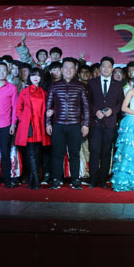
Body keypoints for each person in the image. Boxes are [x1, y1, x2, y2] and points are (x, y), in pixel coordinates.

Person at [46, 58, 90, 190]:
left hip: (75, 125)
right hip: (58, 125)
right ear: (61, 69)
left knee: (74, 154)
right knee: (57, 153)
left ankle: (75, 180)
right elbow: (48, 107)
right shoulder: (54, 86)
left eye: (71, 68)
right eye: (66, 67)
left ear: (75, 70)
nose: (68, 70)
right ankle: (56, 179)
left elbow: (86, 108)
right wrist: (48, 123)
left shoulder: (81, 86)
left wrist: (86, 124)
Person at [87, 56, 124, 188]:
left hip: (110, 123)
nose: (106, 69)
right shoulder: (92, 83)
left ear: (112, 69)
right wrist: (95, 110)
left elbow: (121, 103)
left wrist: (112, 111)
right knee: (94, 151)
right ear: (100, 68)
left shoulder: (118, 85)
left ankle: (103, 180)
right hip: (95, 123)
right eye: (103, 66)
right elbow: (87, 101)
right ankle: (93, 179)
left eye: (109, 67)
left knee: (106, 152)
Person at [15, 68, 50, 190]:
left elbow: (49, 108)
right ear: (29, 77)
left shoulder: (44, 93)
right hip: (28, 125)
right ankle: (35, 179)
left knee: (37, 153)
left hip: (40, 125)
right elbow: (18, 109)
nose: (35, 78)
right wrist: (23, 118)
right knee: (30, 152)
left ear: (41, 78)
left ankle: (32, 180)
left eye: (38, 75)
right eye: (33, 75)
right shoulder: (24, 92)